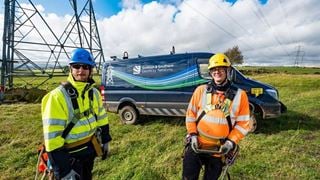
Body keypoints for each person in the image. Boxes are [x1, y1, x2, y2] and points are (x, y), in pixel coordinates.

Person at [41, 48, 112, 179]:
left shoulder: (94, 93)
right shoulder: (57, 97)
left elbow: (102, 117)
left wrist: (106, 139)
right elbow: (52, 138)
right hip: (68, 156)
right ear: (70, 68)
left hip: (89, 150)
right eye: (76, 66)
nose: (81, 70)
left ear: (90, 70)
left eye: (85, 66)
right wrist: (64, 171)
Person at [182, 53, 251, 180]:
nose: (217, 72)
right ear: (210, 72)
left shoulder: (240, 95)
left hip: (220, 149)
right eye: (214, 69)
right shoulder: (201, 90)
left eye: (220, 68)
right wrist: (192, 135)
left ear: (227, 70)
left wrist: (231, 142)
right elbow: (190, 114)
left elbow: (243, 124)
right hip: (197, 144)